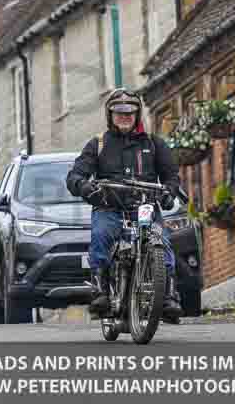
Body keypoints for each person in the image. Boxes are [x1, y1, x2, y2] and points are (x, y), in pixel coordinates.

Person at [66, 87, 183, 322]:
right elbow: (75, 175)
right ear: (110, 116)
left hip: (145, 207)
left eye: (130, 113)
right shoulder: (97, 144)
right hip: (109, 206)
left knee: (163, 241)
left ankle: (168, 295)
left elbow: (171, 176)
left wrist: (169, 192)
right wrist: (85, 186)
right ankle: (100, 291)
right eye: (119, 113)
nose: (125, 117)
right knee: (101, 235)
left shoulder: (154, 144)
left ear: (137, 115)